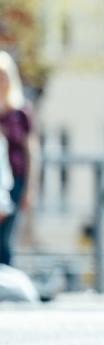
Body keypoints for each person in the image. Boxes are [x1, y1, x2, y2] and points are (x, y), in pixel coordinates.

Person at [0, 53, 32, 266]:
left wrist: (29, 188)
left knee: (5, 238)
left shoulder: (20, 111)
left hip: (15, 179)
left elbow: (31, 151)